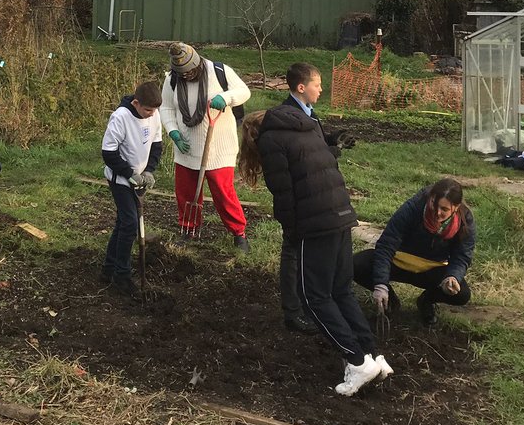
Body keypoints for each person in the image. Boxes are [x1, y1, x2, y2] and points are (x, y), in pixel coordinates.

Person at [254, 62, 391, 396]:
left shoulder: (279, 134)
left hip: (317, 222)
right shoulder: (305, 123)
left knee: (314, 296)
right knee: (340, 290)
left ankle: (358, 361)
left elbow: (283, 190)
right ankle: (374, 356)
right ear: (300, 87)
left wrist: (292, 229)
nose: (321, 90)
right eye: (317, 84)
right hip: (341, 213)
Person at [160, 41, 251, 250]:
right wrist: (173, 131)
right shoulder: (172, 79)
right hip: (186, 148)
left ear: (197, 62)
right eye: (182, 73)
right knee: (187, 192)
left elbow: (244, 91)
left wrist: (225, 97)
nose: (186, 76)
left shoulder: (219, 71)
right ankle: (188, 229)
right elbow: (166, 107)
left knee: (223, 192)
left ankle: (239, 233)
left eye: (189, 72)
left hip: (219, 148)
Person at [353, 177, 475, 326]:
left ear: (455, 208)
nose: (437, 212)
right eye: (434, 204)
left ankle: (426, 301)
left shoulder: (465, 221)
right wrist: (380, 285)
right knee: (355, 264)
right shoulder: (414, 207)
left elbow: (461, 257)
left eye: (444, 209)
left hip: (431, 270)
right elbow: (386, 245)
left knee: (462, 294)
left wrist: (453, 277)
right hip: (399, 261)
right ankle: (389, 299)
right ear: (430, 198)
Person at [100, 80, 164, 297]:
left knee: (123, 224)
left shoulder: (154, 114)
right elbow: (108, 153)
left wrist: (149, 171)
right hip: (119, 179)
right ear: (136, 103)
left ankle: (108, 269)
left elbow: (156, 145)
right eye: (147, 109)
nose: (151, 114)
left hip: (140, 179)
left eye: (154, 110)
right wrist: (129, 174)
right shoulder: (121, 117)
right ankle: (122, 275)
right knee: (129, 224)